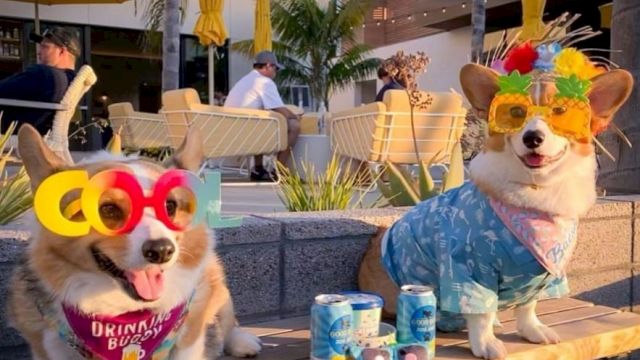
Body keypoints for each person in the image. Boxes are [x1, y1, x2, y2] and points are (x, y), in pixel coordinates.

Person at [225, 50, 301, 181]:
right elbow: (279, 109)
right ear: (267, 66)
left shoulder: (246, 80)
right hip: (245, 132)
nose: (276, 73)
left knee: (262, 122)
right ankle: (279, 171)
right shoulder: (264, 82)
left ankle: (258, 169)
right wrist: (296, 116)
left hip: (231, 130)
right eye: (275, 68)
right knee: (294, 126)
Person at [0, 27, 80, 136]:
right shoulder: (71, 80)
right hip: (39, 137)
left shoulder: (44, 74)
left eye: (45, 47)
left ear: (61, 51)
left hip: (13, 135)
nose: (38, 52)